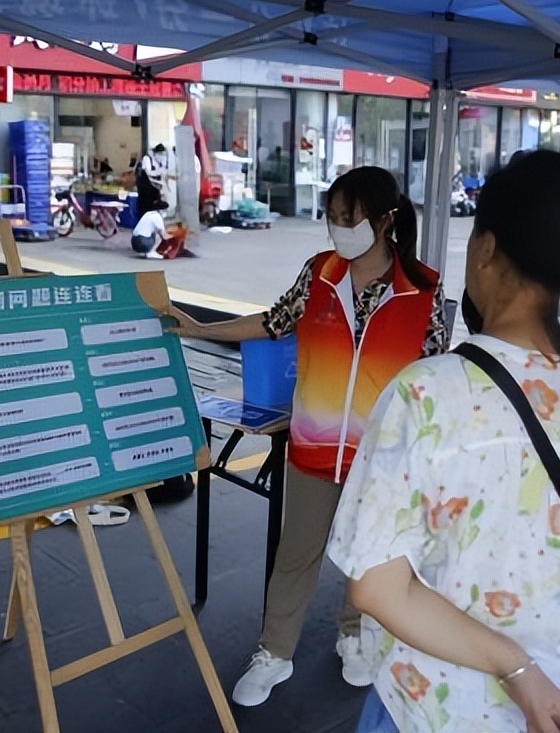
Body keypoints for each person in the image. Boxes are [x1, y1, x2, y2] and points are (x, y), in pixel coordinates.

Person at [327, 150, 560, 733]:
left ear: (485, 249)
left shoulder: (429, 394)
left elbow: (377, 590)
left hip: (438, 709)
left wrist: (516, 666)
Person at [166, 166, 447, 707]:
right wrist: (197, 328)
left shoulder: (424, 291)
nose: (339, 229)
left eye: (351, 218)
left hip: (382, 457)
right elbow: (273, 322)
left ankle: (354, 635)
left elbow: (434, 379)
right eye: (334, 217)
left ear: (386, 221)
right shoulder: (319, 273)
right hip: (313, 448)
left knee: (369, 557)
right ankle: (274, 652)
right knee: (296, 552)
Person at [136, 143, 169, 215]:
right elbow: (148, 173)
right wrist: (158, 172)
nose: (161, 156)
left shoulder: (158, 162)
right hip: (146, 189)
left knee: (155, 209)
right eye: (160, 154)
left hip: (155, 190)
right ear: (155, 153)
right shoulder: (147, 159)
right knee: (146, 209)